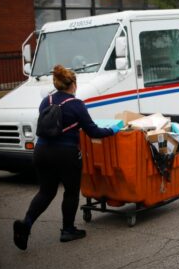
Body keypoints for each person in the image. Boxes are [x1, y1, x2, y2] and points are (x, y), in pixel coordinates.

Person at [13, 65, 121, 250]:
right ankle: (68, 230)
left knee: (46, 191)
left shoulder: (45, 102)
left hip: (41, 151)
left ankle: (27, 223)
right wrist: (112, 130)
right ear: (73, 84)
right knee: (71, 191)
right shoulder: (76, 104)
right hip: (65, 154)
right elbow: (93, 131)